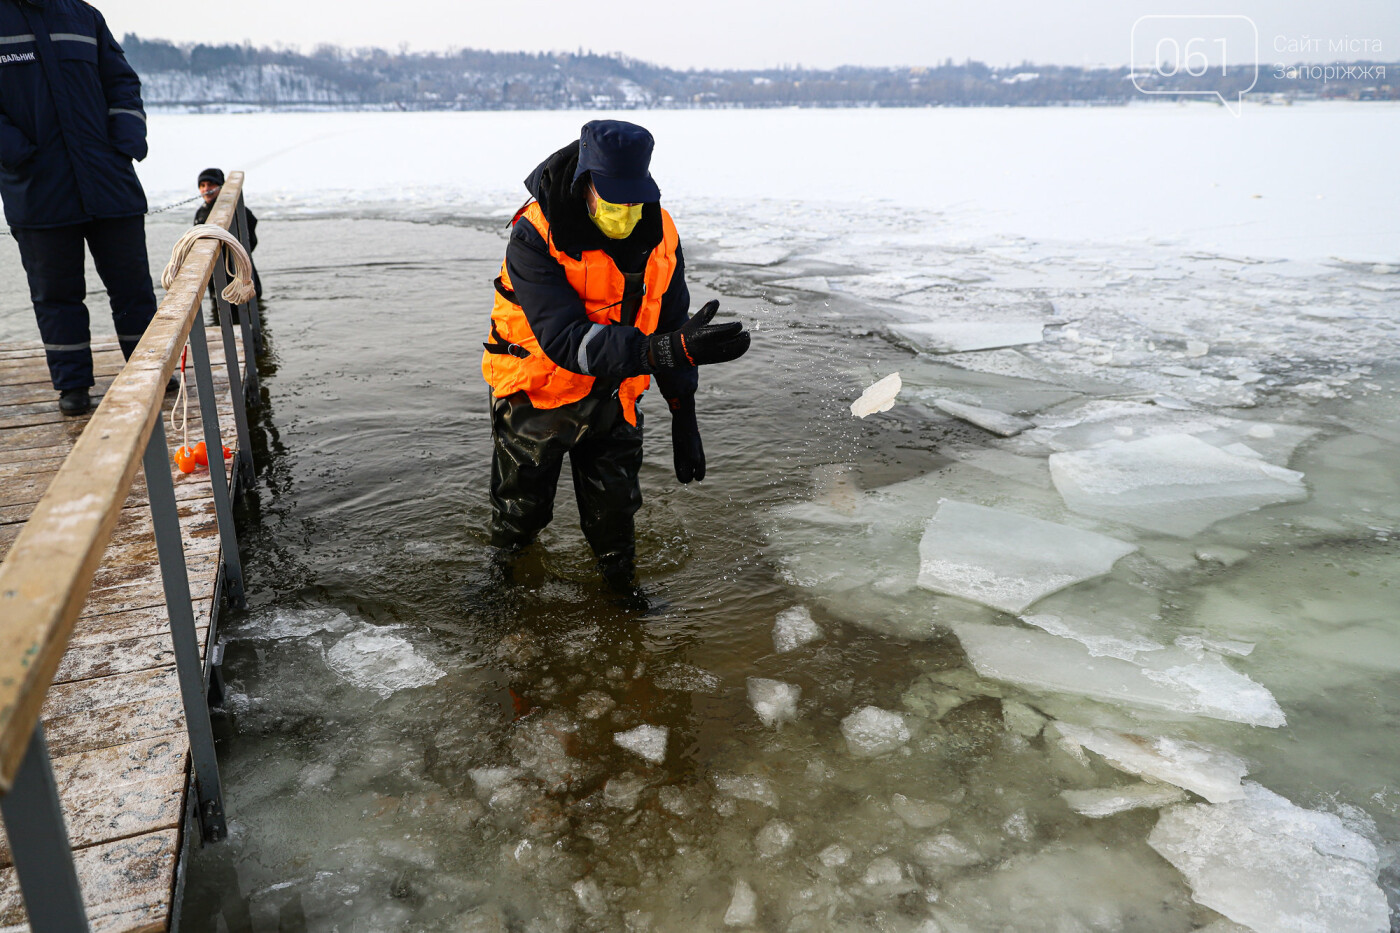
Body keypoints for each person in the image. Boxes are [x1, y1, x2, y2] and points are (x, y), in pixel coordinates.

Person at [482, 120, 750, 589]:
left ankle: (623, 596)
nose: (625, 213)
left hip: (617, 393)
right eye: (613, 202)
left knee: (615, 518)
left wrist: (683, 412)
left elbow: (672, 324)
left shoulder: (662, 233)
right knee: (521, 513)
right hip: (537, 395)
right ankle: (500, 583)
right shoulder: (533, 235)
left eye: (634, 200)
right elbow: (565, 338)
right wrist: (660, 350)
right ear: (586, 184)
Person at [0, 0, 161, 416]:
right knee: (56, 296)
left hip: (108, 182)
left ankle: (148, 371)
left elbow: (122, 81)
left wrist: (125, 141)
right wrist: (16, 153)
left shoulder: (83, 16)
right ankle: (72, 385)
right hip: (38, 189)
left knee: (133, 287)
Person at [194, 167, 262, 300]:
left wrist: (237, 255)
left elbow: (251, 237)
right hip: (216, 278)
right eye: (202, 185)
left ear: (221, 186)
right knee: (220, 306)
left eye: (210, 184)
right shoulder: (201, 212)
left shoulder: (237, 210)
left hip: (239, 272)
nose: (206, 189)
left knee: (249, 305)